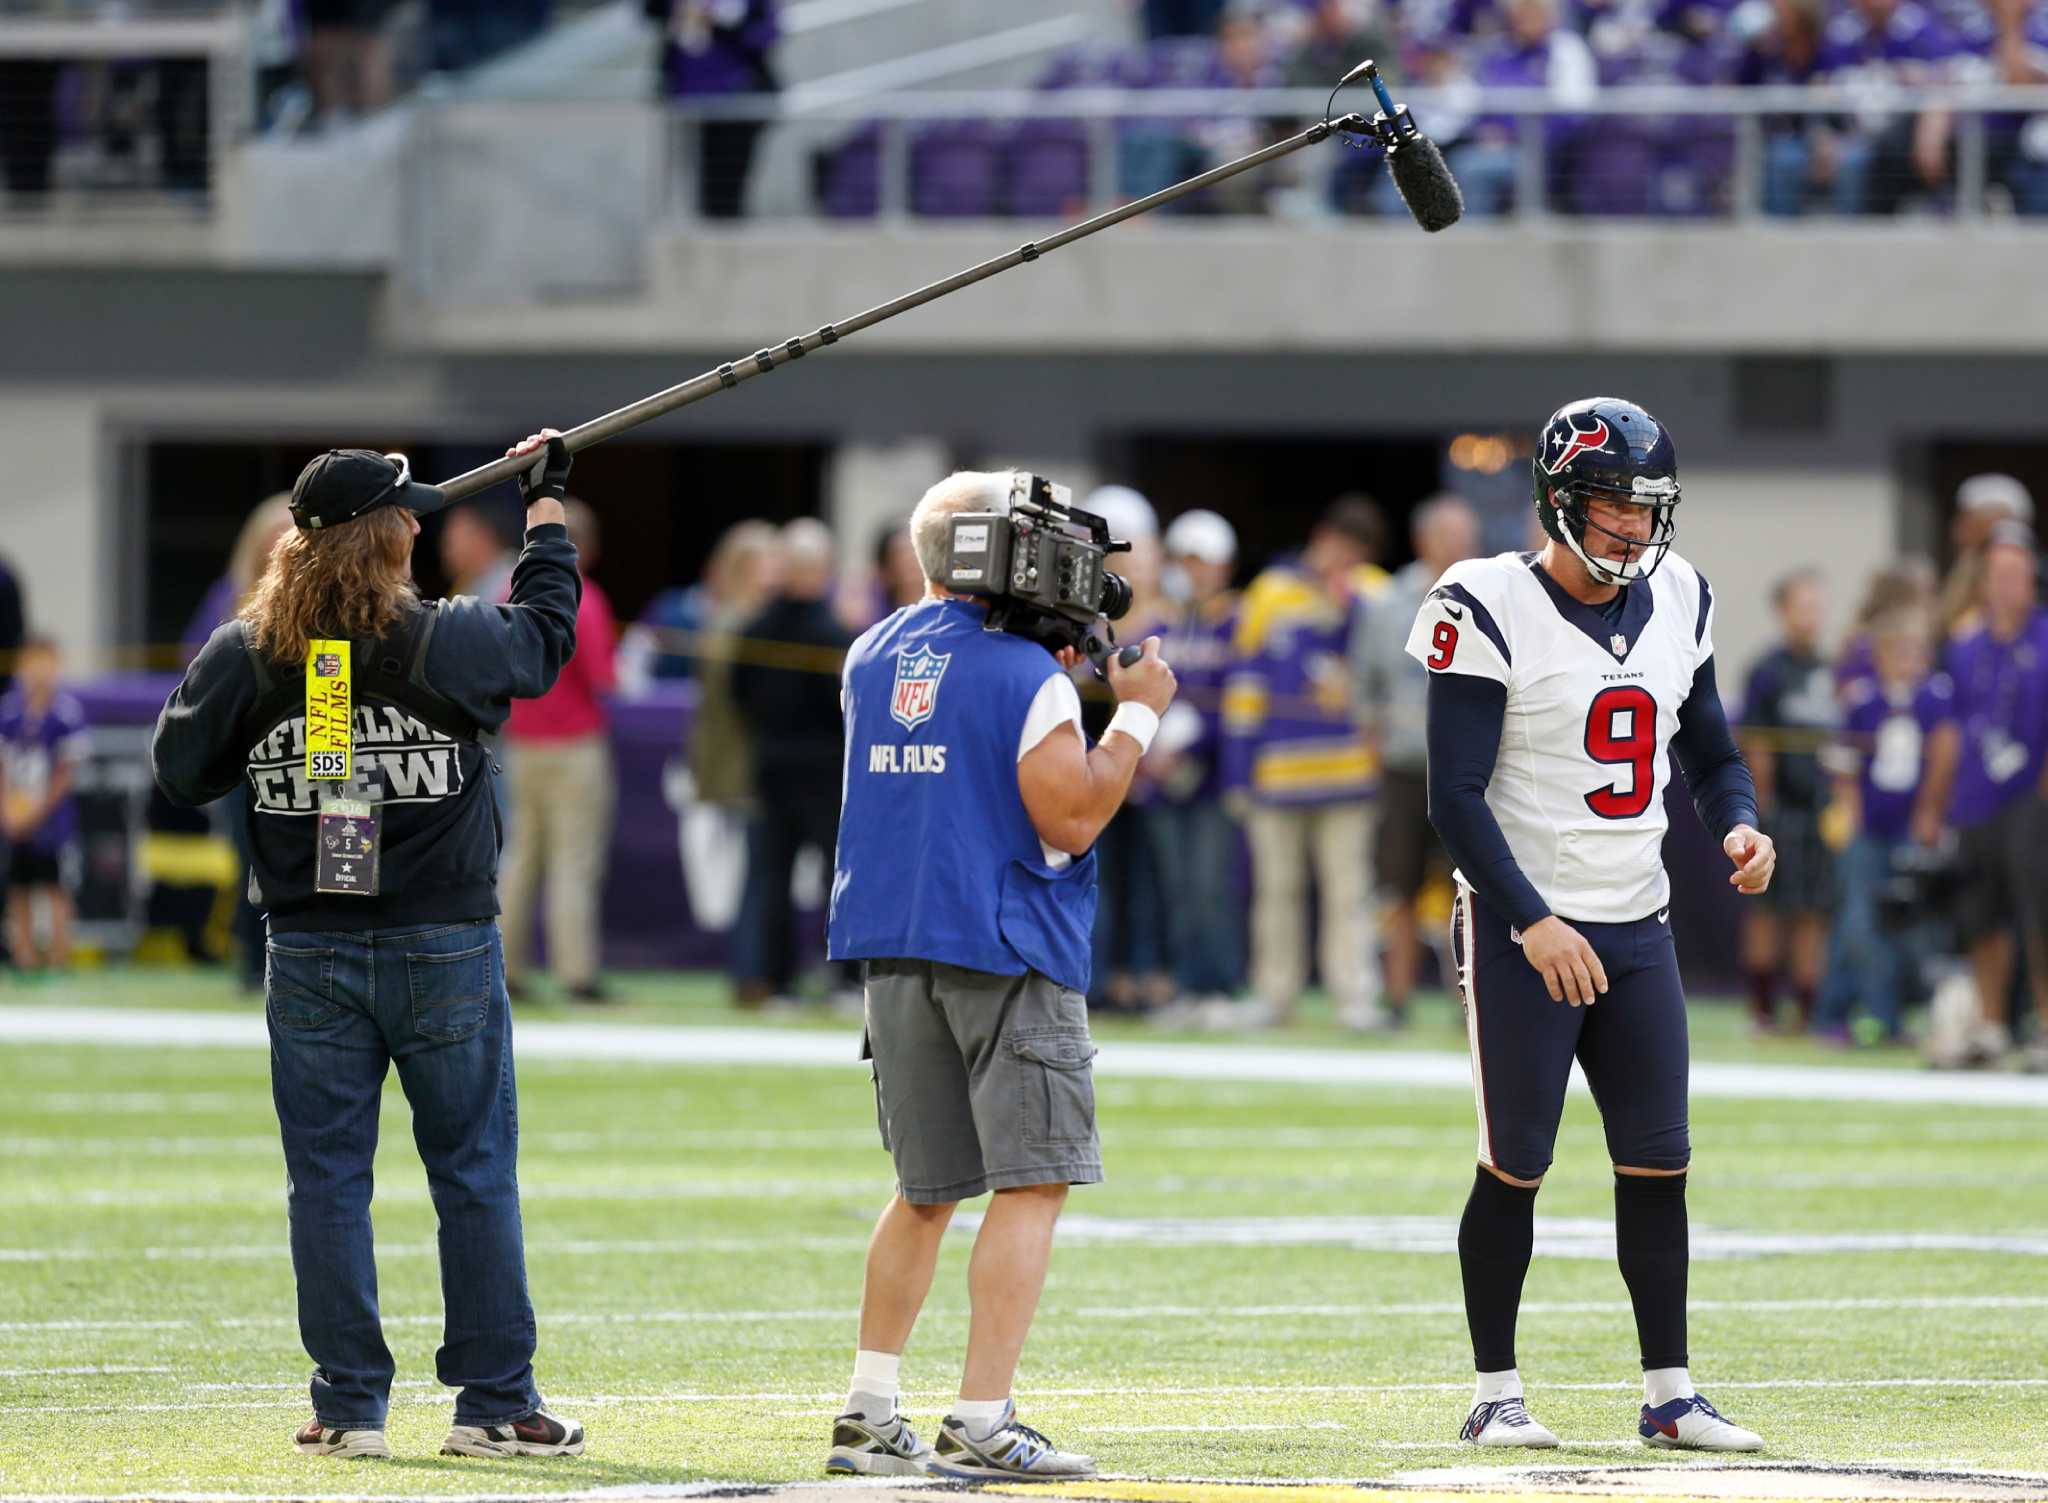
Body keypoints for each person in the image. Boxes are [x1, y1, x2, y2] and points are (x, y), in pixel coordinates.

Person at [149, 434, 587, 1462]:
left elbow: (181, 770)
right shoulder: (447, 635)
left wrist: (286, 727)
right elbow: (544, 642)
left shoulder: (249, 650)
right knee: (473, 1173)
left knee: (329, 1183)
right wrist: (547, 517)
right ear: (392, 539)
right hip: (444, 947)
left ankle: (349, 1407)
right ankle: (492, 1405)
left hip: (309, 951)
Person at [1410, 396, 1773, 1452]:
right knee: (1514, 1161)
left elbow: (1707, 750)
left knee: (1659, 1161)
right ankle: (1495, 1391)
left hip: (1637, 922)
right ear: (1557, 500)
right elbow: (1452, 797)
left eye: (1645, 507)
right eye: (1612, 505)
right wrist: (1530, 921)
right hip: (1525, 927)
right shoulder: (1481, 600)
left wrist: (1738, 828)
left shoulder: (1678, 595)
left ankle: (1668, 1392)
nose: (1631, 528)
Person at [823, 470, 1177, 1480]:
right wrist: (1137, 715)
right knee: (1031, 1182)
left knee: (922, 1189)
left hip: (896, 942)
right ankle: (980, 1415)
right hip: (1004, 939)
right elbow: (1067, 815)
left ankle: (869, 1406)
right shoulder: (1023, 675)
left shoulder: (872, 649)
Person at [1222, 496, 1387, 1028]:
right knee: (1276, 892)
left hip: (1349, 774)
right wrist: (1239, 768)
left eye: (1357, 553)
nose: (1345, 559)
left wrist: (1351, 607)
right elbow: (1245, 683)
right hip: (1278, 773)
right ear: (1321, 536)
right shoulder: (1270, 591)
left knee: (1349, 892)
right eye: (1341, 546)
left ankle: (1355, 997)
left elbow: (1390, 673)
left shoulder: (1373, 591)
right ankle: (1274, 995)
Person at [1913, 526, 2048, 1070]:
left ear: (2031, 579)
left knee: (2040, 914)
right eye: (1996, 574)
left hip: (2032, 797)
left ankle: (2042, 1023)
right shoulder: (1965, 649)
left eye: (2015, 574)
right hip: (1974, 800)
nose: (2005, 584)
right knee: (1981, 915)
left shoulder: (2044, 640)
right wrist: (1932, 804)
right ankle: (1990, 1025)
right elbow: (1948, 730)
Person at [1353, 494, 1481, 1024]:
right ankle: (1398, 998)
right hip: (1406, 767)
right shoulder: (1387, 604)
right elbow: (1366, 685)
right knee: (1398, 887)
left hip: (1471, 769)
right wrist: (1374, 745)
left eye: (1464, 536)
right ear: (1423, 540)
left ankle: (1471, 1001)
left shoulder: (1492, 594)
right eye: (1448, 536)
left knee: (1471, 891)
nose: (1458, 546)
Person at [728, 517, 853, 1005]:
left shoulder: (754, 628)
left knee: (769, 879)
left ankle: (773, 982)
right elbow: (844, 704)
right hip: (823, 770)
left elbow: (738, 695)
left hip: (771, 764)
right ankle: (841, 979)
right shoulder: (833, 632)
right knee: (835, 878)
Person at [500, 499, 619, 1003]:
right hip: (572, 745)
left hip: (521, 743)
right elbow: (603, 679)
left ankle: (505, 967)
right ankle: (576, 974)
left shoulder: (508, 591)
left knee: (520, 859)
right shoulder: (585, 599)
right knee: (573, 860)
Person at [1814, 605, 1950, 1043]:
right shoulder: (1863, 699)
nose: (1907, 661)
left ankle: (1917, 1013)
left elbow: (1946, 758)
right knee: (1860, 922)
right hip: (1869, 828)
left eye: (1916, 652)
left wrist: (1931, 813)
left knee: (1918, 927)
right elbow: (1841, 761)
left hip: (1913, 828)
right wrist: (1850, 808)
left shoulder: (1935, 698)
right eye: (1899, 651)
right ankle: (1872, 1012)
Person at [1150, 508, 1245, 1005]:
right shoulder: (1163, 622)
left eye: (1202, 561)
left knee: (1211, 886)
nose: (1194, 571)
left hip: (1212, 775)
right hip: (1165, 776)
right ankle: (1187, 983)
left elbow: (1236, 701)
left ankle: (1219, 985)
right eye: (1186, 561)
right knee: (1178, 887)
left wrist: (1187, 743)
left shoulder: (1236, 620)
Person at [1737, 570, 1837, 1032]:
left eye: (1818, 606)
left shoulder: (1828, 671)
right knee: (1769, 910)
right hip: (1781, 810)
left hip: (1821, 809)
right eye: (1803, 606)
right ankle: (1762, 1009)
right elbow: (1756, 740)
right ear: (1783, 611)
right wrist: (1764, 804)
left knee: (1813, 912)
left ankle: (1807, 1010)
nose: (1812, 616)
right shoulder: (1767, 670)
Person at [644, 0, 782, 218]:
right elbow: (650, 11)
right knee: (704, 183)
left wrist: (724, 14)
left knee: (728, 183)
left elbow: (767, 33)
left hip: (739, 95)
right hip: (691, 95)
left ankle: (726, 227)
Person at [1, 637, 90, 970]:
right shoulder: (10, 712)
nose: (39, 672)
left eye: (46, 663)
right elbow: (4, 766)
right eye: (32, 663)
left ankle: (57, 958)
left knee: (55, 888)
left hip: (53, 820)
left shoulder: (65, 713)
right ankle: (23, 957)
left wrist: (36, 811)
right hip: (14, 813)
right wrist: (7, 811)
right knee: (18, 889)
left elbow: (65, 773)